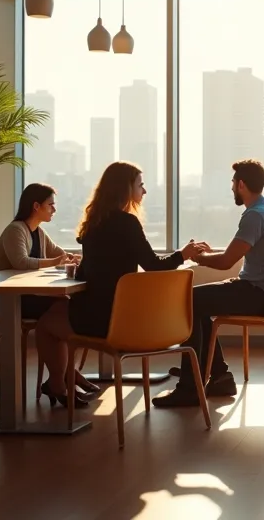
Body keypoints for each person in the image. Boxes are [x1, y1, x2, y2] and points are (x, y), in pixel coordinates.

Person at [33, 162, 208, 407]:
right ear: (125, 188)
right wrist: (183, 254)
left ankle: (58, 384)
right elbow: (153, 265)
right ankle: (62, 383)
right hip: (125, 319)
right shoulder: (128, 223)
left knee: (45, 325)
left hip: (102, 315)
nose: (144, 191)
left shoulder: (93, 224)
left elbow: (86, 273)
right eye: (140, 185)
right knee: (52, 319)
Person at [154, 159, 264, 407]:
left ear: (241, 184)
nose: (231, 189)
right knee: (200, 303)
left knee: (190, 299)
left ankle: (190, 386)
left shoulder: (254, 215)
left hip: (257, 295)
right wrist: (208, 256)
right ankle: (218, 376)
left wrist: (198, 257)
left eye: (232, 183)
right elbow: (236, 255)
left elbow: (227, 261)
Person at [0, 184, 96, 397]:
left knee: (64, 307)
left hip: (28, 296)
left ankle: (63, 376)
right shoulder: (15, 230)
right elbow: (21, 262)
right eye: (51, 205)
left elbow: (60, 253)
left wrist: (74, 258)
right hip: (8, 300)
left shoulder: (38, 232)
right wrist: (57, 261)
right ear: (36, 206)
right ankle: (65, 376)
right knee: (63, 308)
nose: (54, 210)